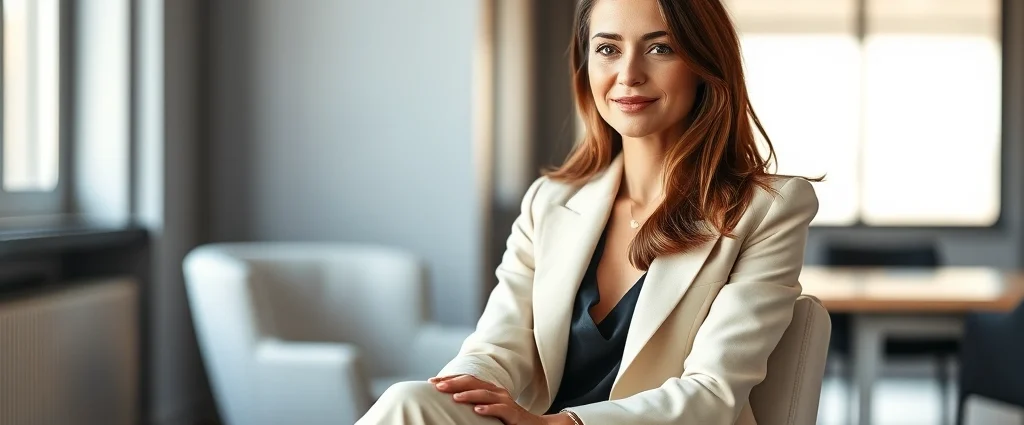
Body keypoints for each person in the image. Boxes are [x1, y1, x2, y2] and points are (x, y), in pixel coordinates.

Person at [357, 0, 818, 423]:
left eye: (660, 48)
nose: (629, 74)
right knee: (408, 401)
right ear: (587, 66)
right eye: (608, 49)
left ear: (704, 65)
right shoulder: (550, 202)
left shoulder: (767, 210)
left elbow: (712, 392)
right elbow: (498, 346)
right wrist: (459, 387)